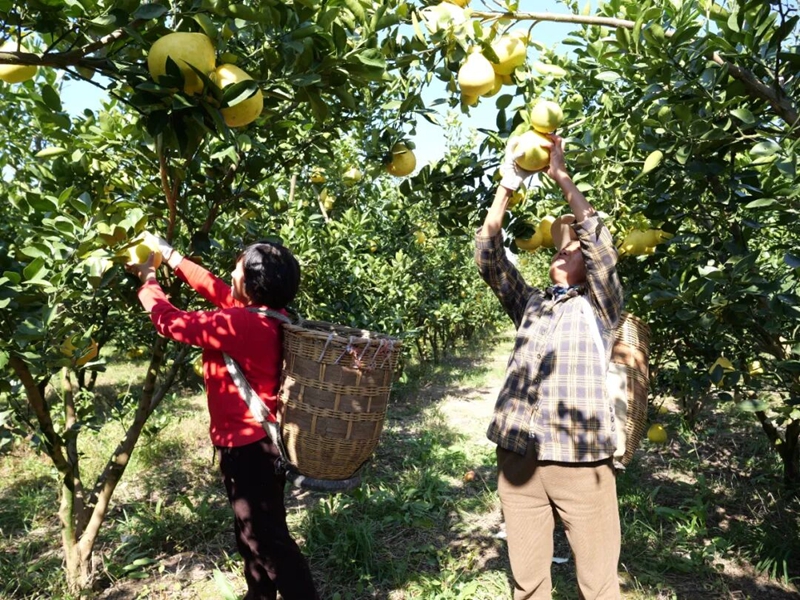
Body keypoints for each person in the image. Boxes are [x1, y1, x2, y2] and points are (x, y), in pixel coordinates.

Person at [126, 239, 319, 600]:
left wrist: (148, 279)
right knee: (251, 530)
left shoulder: (240, 324)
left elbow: (171, 322)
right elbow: (214, 287)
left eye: (238, 268)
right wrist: (171, 256)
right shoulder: (269, 315)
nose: (231, 272)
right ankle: (259, 594)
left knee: (267, 540)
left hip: (248, 449)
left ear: (252, 283)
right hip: (263, 444)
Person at [475, 133, 624, 599]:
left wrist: (561, 176)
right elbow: (489, 257)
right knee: (528, 581)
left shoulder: (601, 307)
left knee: (598, 583)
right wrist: (508, 184)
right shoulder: (532, 303)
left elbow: (600, 246)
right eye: (561, 245)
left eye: (573, 247)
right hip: (518, 452)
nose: (565, 249)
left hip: (580, 459)